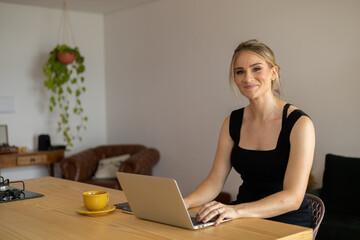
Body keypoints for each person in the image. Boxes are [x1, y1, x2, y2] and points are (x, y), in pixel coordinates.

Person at [183, 39, 315, 227]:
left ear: (273, 72)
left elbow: (292, 198)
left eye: (256, 69)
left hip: (286, 222)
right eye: (240, 72)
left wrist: (235, 210)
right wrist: (183, 203)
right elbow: (214, 181)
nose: (247, 78)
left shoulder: (300, 124)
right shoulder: (233, 121)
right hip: (242, 217)